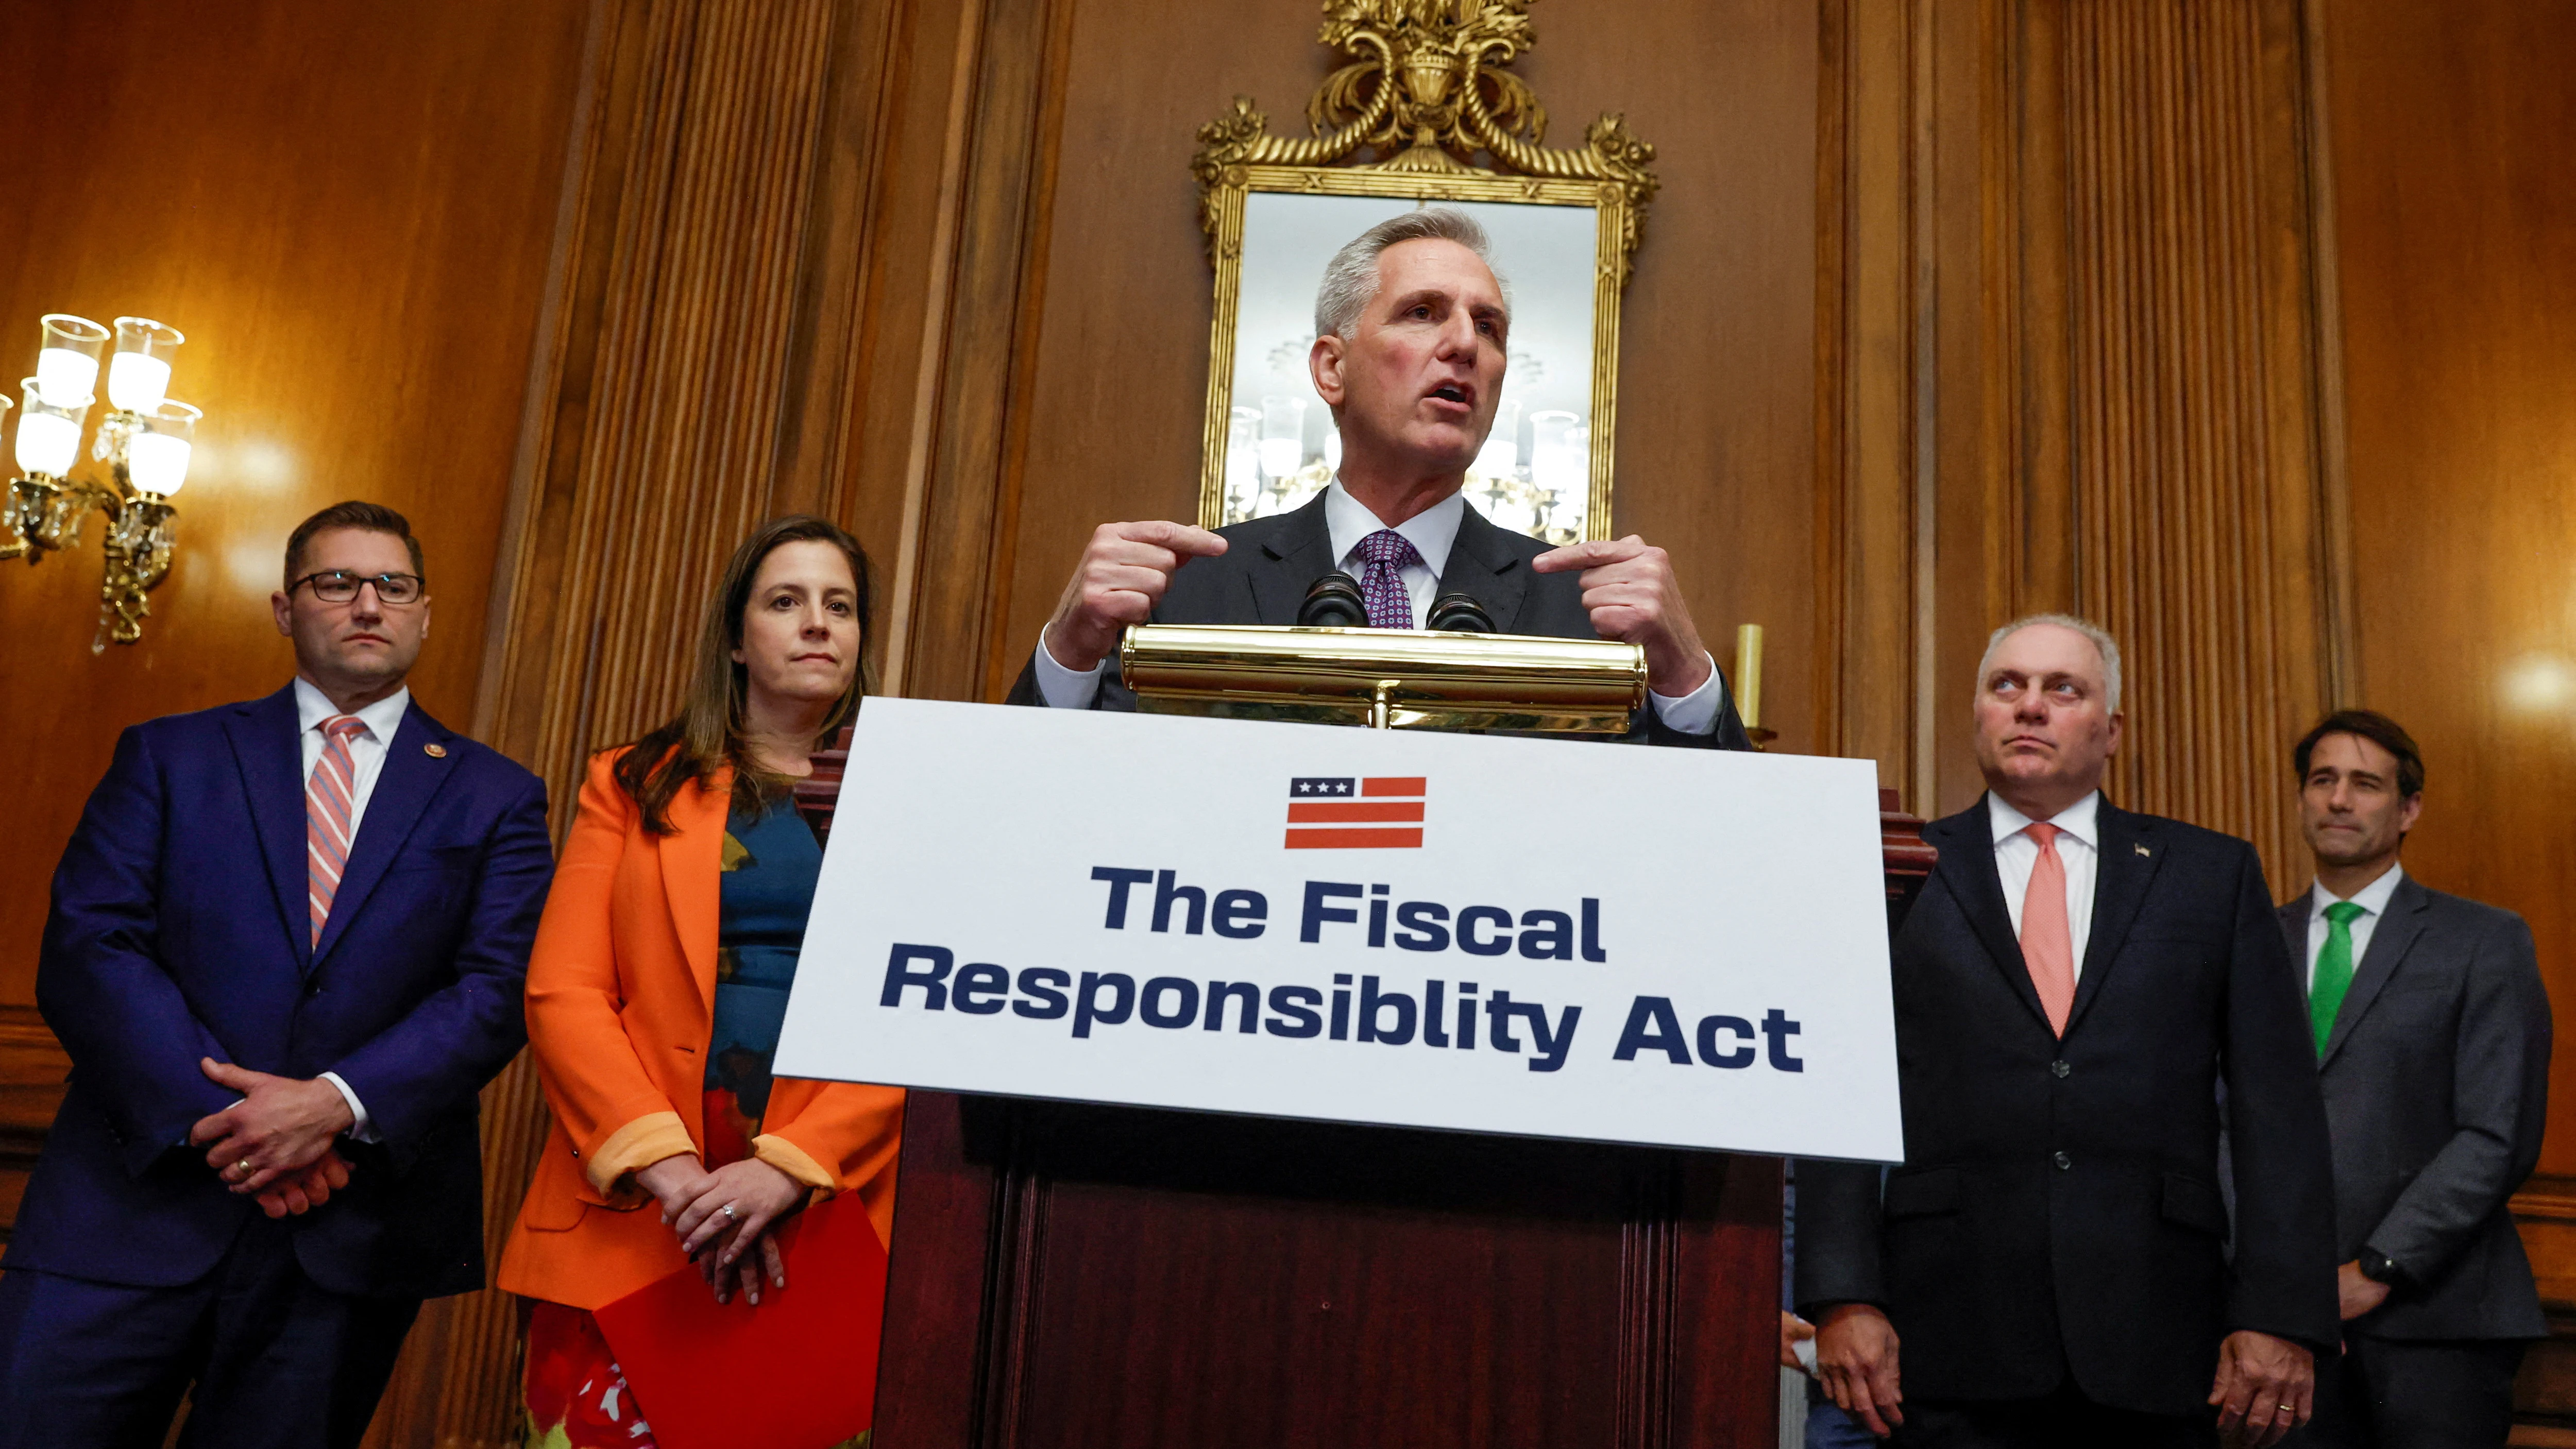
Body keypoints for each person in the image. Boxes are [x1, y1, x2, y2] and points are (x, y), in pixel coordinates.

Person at [0, 502, 554, 1447]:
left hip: (347, 1230)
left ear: (425, 612)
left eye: (393, 585)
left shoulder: (498, 796)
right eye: (335, 583)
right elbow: (92, 948)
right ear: (284, 610)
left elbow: (497, 987)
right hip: (129, 1210)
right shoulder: (171, 755)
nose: (367, 603)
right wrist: (240, 1128)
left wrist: (335, 1104)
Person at [1797, 615, 2340, 1448]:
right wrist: (1844, 1298)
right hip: (1944, 1338)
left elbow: (2280, 1111)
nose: (2030, 707)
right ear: (1977, 713)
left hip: (2161, 1336)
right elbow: (1841, 1094)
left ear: (2112, 729)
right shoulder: (1896, 871)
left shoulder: (2210, 875)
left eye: (2064, 689)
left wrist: (2280, 1312)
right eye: (2006, 686)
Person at [1006, 206, 1751, 751]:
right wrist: (1069, 651)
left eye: (1488, 328)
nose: (1463, 344)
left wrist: (1684, 673)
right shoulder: (1193, 590)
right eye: (1423, 313)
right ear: (1332, 368)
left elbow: (1723, 854)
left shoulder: (1583, 613)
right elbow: (1029, 807)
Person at [497, 516, 903, 1448]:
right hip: (641, 1208)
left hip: (829, 1208)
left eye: (838, 606)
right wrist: (671, 1170)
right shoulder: (633, 782)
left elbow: (924, 1012)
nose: (817, 625)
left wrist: (792, 1166)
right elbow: (564, 993)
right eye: (785, 602)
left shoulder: (913, 793)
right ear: (734, 638)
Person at [2279, 710, 2549, 1447]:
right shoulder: (2250, 944)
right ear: (2302, 799)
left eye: (2366, 784)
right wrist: (2270, 1281)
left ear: (2408, 810)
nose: (2339, 800)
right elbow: (2221, 1121)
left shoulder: (2484, 940)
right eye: (2323, 780)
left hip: (2442, 1320)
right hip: (2282, 1327)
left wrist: (2379, 1267)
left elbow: (2498, 1130)